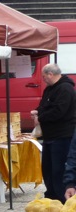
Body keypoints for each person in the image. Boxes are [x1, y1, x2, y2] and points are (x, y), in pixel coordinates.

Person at [34, 63, 76, 203]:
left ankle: (62, 200)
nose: (43, 79)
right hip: (49, 137)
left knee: (58, 171)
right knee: (48, 170)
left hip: (62, 136)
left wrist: (41, 117)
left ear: (50, 74)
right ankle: (52, 197)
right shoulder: (49, 89)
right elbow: (43, 106)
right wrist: (37, 111)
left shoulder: (66, 89)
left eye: (44, 76)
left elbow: (59, 112)